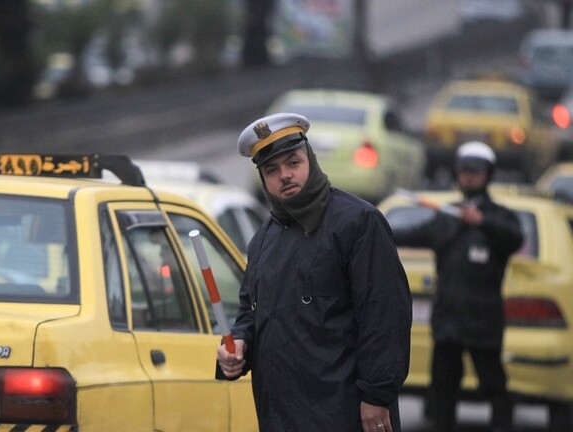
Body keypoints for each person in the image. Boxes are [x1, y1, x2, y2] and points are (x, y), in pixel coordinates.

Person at [216, 112, 412, 432]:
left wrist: (376, 396)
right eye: (271, 170)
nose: (284, 175)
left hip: (344, 415)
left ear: (310, 159)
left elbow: (385, 317)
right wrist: (238, 344)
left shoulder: (358, 223)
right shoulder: (262, 239)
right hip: (279, 417)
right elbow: (250, 312)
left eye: (293, 162)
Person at [391, 141, 524, 432]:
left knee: (494, 385)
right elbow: (412, 234)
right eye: (464, 171)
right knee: (443, 389)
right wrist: (375, 227)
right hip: (448, 320)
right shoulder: (446, 216)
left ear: (488, 174)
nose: (469, 177)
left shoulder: (500, 216)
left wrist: (482, 221)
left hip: (483, 320)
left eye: (476, 172)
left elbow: (515, 238)